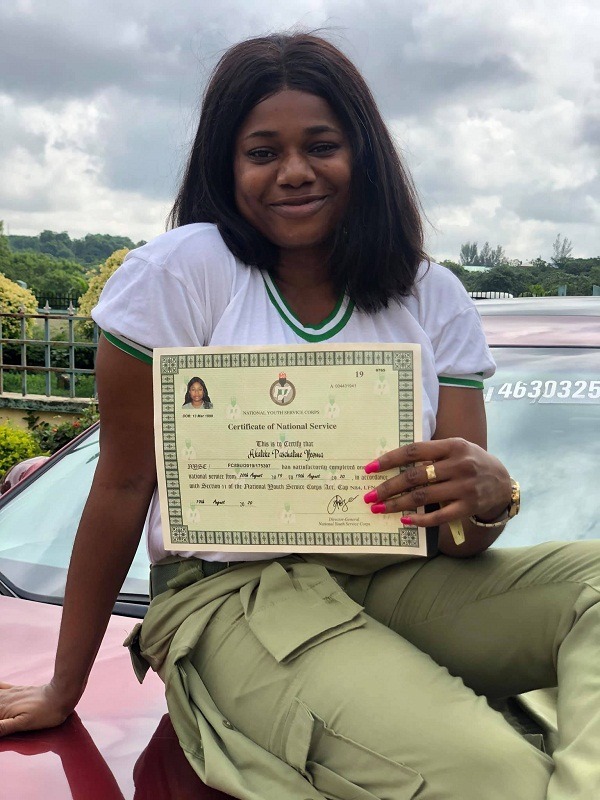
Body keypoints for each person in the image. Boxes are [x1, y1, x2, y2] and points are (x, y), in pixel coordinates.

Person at [1, 33, 598, 800]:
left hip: (394, 575)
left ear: (364, 156)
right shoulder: (182, 274)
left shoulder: (432, 295)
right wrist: (64, 685)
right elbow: (120, 487)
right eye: (261, 152)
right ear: (228, 165)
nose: (293, 172)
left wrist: (491, 496)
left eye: (321, 145)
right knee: (494, 778)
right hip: (234, 593)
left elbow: (455, 538)